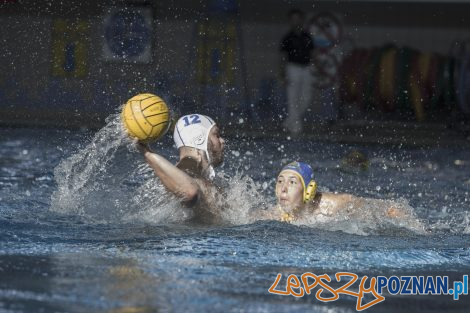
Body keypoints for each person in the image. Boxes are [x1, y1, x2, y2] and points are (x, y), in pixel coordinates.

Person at [260, 162, 422, 226]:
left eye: (293, 182)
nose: (283, 188)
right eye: (280, 181)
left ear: (308, 191)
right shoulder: (273, 215)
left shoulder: (333, 205)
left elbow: (379, 207)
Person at [137, 114, 225, 224]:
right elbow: (189, 191)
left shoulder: (193, 171)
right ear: (199, 138)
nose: (222, 141)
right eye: (217, 135)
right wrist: (147, 154)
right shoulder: (189, 167)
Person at [280, 9, 315, 135]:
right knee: (292, 98)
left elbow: (313, 54)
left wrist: (316, 69)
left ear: (302, 20)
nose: (295, 21)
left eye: (297, 18)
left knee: (306, 97)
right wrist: (283, 73)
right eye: (293, 19)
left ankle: (289, 121)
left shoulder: (307, 36)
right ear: (290, 21)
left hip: (306, 68)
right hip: (292, 68)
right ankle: (295, 127)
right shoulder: (287, 38)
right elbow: (282, 58)